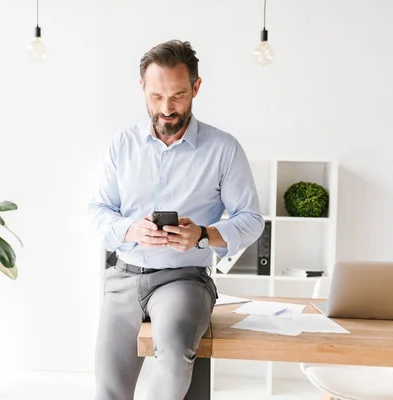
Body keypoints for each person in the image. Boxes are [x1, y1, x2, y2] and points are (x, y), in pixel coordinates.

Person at [88, 39, 265, 400]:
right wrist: (130, 228)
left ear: (196, 88)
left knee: (171, 355)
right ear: (142, 89)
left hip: (183, 280)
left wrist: (202, 234)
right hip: (122, 277)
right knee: (108, 386)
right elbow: (98, 211)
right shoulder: (122, 145)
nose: (166, 108)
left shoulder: (223, 149)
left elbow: (251, 220)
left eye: (178, 95)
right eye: (156, 97)